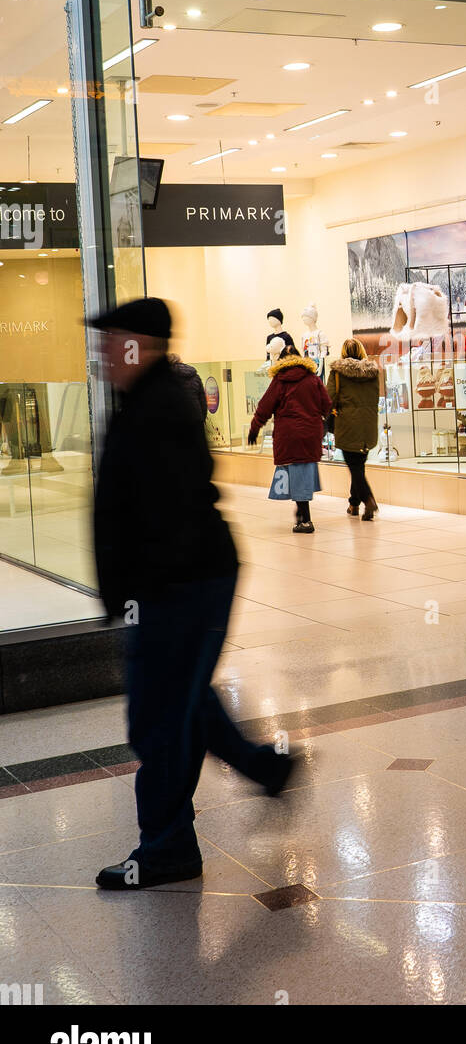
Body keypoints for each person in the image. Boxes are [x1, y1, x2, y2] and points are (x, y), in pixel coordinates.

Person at [90, 297, 297, 892]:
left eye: (114, 340)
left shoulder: (158, 409)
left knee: (158, 723)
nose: (105, 352)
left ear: (143, 345)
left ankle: (166, 848)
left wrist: (143, 593)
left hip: (183, 587)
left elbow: (164, 514)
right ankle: (266, 769)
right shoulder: (144, 402)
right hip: (177, 586)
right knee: (183, 700)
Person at [248, 343, 332, 532]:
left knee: (297, 473)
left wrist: (254, 428)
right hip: (310, 433)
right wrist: (323, 424)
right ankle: (301, 514)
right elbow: (326, 405)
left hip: (289, 434)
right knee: (301, 473)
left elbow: (264, 407)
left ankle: (305, 520)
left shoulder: (280, 381)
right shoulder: (313, 379)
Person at [327, 338, 380, 519]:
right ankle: (354, 504)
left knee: (355, 467)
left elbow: (329, 399)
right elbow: (376, 398)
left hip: (347, 425)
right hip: (368, 425)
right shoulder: (372, 372)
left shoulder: (337, 372)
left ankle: (369, 500)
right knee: (359, 465)